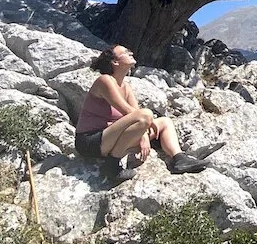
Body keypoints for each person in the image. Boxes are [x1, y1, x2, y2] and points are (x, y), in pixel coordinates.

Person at [75, 45, 207, 174]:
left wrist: (143, 133)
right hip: (91, 141)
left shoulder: (125, 86)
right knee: (146, 115)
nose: (131, 53)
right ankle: (112, 165)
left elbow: (136, 114)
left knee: (165, 122)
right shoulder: (104, 81)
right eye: (126, 52)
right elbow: (129, 111)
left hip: (111, 137)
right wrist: (146, 127)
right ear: (115, 62)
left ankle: (179, 159)